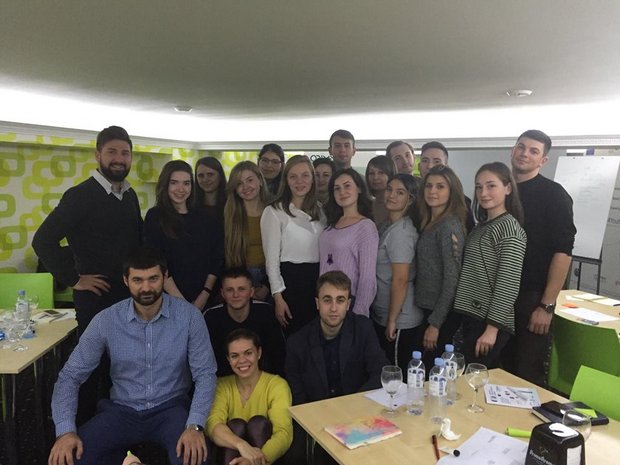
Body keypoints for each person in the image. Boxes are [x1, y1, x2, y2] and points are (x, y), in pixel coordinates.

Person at [48, 247, 217, 465]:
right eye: (138, 280)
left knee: (195, 458)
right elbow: (70, 376)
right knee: (68, 458)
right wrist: (65, 431)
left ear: (165, 277)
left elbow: (205, 374)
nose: (146, 287)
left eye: (153, 279)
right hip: (121, 411)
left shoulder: (189, 317)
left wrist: (195, 425)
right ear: (126, 280)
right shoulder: (106, 320)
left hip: (171, 409)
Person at [32, 125, 143, 423]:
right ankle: (83, 430)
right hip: (95, 300)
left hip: (126, 298)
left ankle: (115, 424)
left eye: (125, 153)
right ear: (98, 155)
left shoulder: (129, 195)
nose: (119, 158)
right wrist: (74, 279)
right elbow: (43, 240)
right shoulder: (80, 195)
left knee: (121, 366)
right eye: (112, 152)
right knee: (91, 369)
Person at [284, 271, 388, 465]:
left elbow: (380, 372)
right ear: (317, 303)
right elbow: (297, 397)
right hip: (317, 422)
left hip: (358, 415)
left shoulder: (363, 328)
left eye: (340, 300)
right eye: (327, 300)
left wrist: (351, 409)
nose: (333, 308)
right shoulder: (297, 343)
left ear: (348, 304)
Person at [503, 129, 576, 386]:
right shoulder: (500, 190)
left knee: (526, 374)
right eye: (521, 147)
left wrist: (546, 306)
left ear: (543, 160)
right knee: (497, 368)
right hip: (500, 294)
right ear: (512, 150)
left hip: (532, 298)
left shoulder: (554, 195)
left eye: (533, 151)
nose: (525, 154)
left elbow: (563, 252)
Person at [454, 162, 526, 367]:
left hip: (489, 322)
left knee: (474, 378)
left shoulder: (509, 229)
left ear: (508, 188)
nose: (483, 193)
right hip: (473, 316)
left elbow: (508, 284)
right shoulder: (482, 226)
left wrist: (492, 329)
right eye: (479, 187)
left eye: (491, 186)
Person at [144, 160, 223, 311]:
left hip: (205, 299)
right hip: (168, 299)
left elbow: (216, 259)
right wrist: (182, 302)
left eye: (186, 183)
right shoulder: (155, 216)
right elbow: (157, 262)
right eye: (174, 183)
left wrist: (205, 294)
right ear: (165, 184)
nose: (181, 189)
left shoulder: (205, 217)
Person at [206, 329, 292, 465]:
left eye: (248, 353)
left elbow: (283, 433)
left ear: (259, 353)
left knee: (258, 424)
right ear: (228, 359)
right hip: (230, 459)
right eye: (234, 356)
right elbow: (213, 425)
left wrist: (253, 460)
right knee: (236, 426)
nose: (242, 360)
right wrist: (241, 445)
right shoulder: (222, 386)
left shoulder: (276, 385)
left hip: (266, 460)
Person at [261, 155, 324, 336]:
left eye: (305, 175)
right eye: (293, 176)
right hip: (290, 283)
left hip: (317, 282)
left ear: (312, 178)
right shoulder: (274, 211)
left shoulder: (321, 210)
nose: (299, 181)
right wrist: (278, 297)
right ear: (286, 180)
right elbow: (271, 261)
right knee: (295, 339)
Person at [415, 165, 468, 368]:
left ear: (451, 191)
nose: (432, 191)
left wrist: (435, 323)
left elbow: (452, 278)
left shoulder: (448, 226)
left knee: (432, 374)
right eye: (428, 186)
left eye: (440, 186)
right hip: (428, 309)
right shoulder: (430, 222)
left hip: (440, 314)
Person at [370, 174, 424, 375]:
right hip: (384, 312)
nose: (392, 195)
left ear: (410, 199)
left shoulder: (402, 232)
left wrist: (392, 320)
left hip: (400, 318)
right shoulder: (388, 225)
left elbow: (400, 279)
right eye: (389, 189)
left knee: (396, 376)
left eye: (400, 192)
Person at [204, 268, 285, 377]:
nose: (235, 295)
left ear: (251, 292)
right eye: (230, 290)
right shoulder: (211, 318)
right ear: (222, 293)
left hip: (263, 380)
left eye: (241, 289)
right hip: (223, 382)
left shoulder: (266, 313)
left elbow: (278, 357)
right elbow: (205, 362)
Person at [320, 168, 378, 316]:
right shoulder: (331, 224)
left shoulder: (366, 227)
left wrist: (359, 313)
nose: (342, 192)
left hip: (348, 302)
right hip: (326, 300)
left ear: (359, 188)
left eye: (347, 186)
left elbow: (367, 278)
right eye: (337, 188)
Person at [224, 161, 271, 300]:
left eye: (250, 180)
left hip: (271, 276)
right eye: (239, 183)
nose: (245, 187)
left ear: (260, 181)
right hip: (241, 276)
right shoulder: (230, 214)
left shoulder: (274, 210)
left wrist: (267, 285)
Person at [418, 141, 474, 232]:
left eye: (437, 161)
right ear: (419, 165)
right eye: (425, 161)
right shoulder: (414, 196)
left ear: (446, 166)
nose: (430, 166)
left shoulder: (461, 202)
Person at [365, 155, 397, 227]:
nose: (375, 177)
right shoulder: (366, 206)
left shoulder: (397, 205)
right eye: (371, 173)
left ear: (390, 174)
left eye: (381, 173)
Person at [194, 156, 227, 223]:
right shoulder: (190, 206)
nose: (205, 180)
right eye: (201, 176)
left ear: (220, 176)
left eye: (210, 174)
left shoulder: (231, 205)